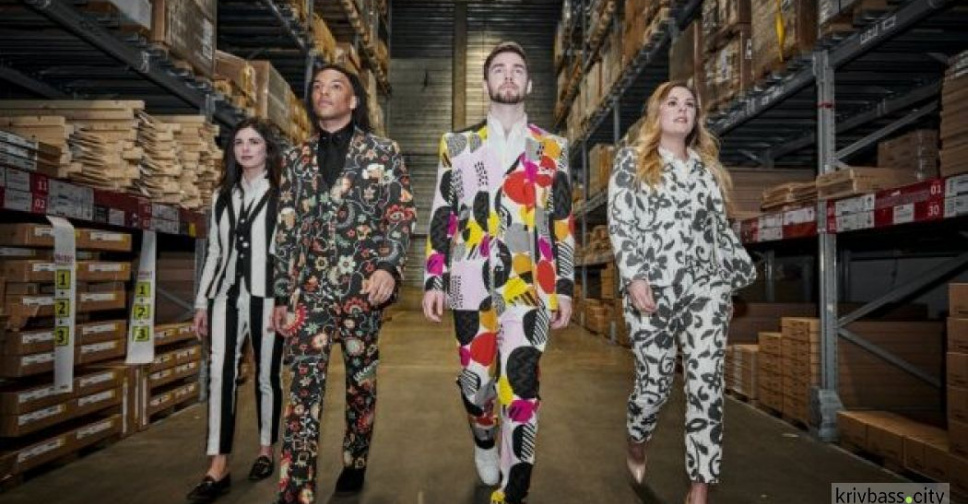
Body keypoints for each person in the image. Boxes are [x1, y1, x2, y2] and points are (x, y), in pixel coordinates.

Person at [422, 41, 574, 504]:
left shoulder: (553, 148)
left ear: (529, 82)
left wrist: (565, 287)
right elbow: (443, 213)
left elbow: (562, 222)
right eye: (499, 69)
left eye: (517, 69)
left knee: (521, 383)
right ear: (486, 82)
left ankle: (515, 485)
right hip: (471, 281)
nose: (508, 75)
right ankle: (484, 436)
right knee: (477, 385)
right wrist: (433, 278)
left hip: (531, 285)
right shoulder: (457, 145)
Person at [270, 63, 416, 503]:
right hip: (310, 290)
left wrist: (388, 267)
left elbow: (400, 213)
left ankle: (355, 459)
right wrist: (282, 293)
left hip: (362, 288)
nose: (324, 92)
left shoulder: (383, 152)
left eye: (335, 86)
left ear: (352, 100)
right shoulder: (295, 159)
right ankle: (295, 488)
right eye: (317, 87)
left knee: (360, 381)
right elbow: (286, 229)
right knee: (303, 385)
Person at [607, 81, 757, 503]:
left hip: (706, 288)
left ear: (696, 118)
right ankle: (637, 437)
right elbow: (621, 222)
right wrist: (634, 276)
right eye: (672, 102)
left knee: (706, 385)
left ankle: (700, 487)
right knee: (654, 385)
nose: (682, 109)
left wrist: (728, 283)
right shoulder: (632, 161)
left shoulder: (708, 169)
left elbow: (718, 231)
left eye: (689, 104)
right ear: (657, 113)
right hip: (652, 289)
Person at [187, 117, 285, 504]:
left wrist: (286, 299)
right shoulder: (222, 196)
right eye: (239, 142)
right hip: (226, 295)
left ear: (267, 150)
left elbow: (287, 252)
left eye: (254, 142)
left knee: (267, 375)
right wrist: (202, 301)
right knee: (219, 374)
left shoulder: (282, 195)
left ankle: (265, 450)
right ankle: (218, 465)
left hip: (268, 296)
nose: (245, 148)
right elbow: (215, 251)